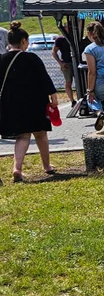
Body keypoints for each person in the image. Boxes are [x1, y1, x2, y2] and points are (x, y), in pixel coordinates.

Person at [0, 24, 59, 182]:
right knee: (40, 134)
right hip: (35, 101)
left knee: (23, 135)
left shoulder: (2, 59)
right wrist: (53, 96)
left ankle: (17, 168)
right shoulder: (31, 58)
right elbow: (44, 78)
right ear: (24, 41)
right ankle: (47, 166)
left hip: (12, 103)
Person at [52, 33, 76, 102]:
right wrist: (60, 63)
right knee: (68, 82)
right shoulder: (60, 39)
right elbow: (54, 52)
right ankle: (72, 100)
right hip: (66, 63)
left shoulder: (76, 37)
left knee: (80, 81)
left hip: (76, 62)